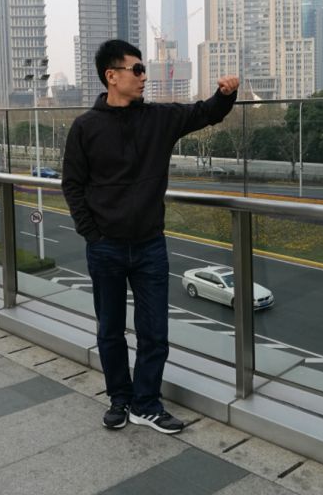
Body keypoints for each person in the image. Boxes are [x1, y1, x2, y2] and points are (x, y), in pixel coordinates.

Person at [62, 39, 239, 434]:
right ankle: (119, 399)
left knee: (154, 332)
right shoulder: (85, 127)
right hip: (105, 247)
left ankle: (146, 404)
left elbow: (205, 113)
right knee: (110, 330)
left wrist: (226, 95)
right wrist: (92, 234)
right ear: (112, 76)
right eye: (138, 69)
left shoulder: (159, 119)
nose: (145, 77)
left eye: (144, 70)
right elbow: (72, 184)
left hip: (149, 246)